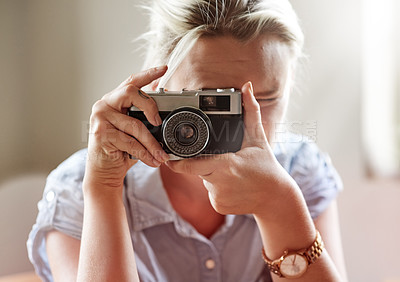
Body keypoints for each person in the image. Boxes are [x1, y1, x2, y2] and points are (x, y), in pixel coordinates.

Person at [27, 0, 348, 281]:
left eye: (264, 99)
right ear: (159, 88)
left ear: (290, 86)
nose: (243, 122)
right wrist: (103, 189)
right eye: (214, 101)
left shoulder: (301, 171)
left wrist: (280, 206)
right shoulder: (82, 186)